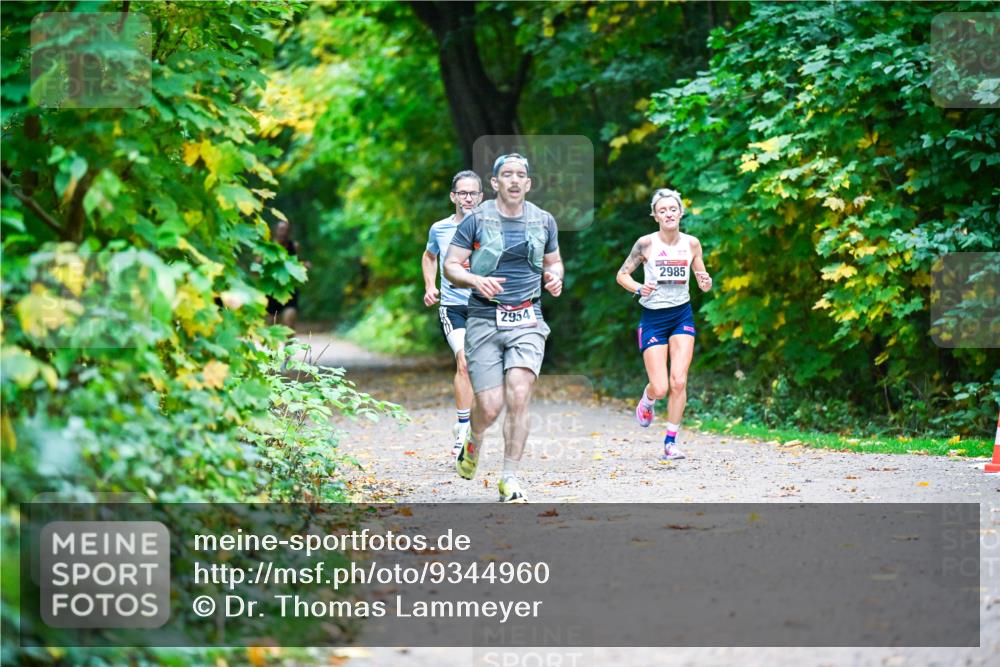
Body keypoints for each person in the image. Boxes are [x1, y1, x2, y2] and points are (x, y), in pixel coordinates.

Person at [443, 153, 564, 503]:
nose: (514, 180)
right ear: (495, 183)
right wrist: (475, 280)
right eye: (506, 174)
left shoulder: (543, 220)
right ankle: (474, 438)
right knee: (491, 406)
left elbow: (555, 261)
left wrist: (554, 277)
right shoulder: (476, 219)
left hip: (528, 318)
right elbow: (451, 265)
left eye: (520, 174)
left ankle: (509, 477)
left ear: (528, 183)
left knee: (520, 395)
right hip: (483, 319)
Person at [615, 188, 712, 460]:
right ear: (655, 216)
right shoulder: (645, 244)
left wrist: (706, 282)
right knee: (660, 387)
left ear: (680, 212)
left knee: (679, 381)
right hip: (653, 319)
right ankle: (647, 400)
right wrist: (638, 288)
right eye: (662, 210)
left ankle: (671, 441)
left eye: (672, 209)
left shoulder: (692, 244)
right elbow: (622, 275)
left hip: (681, 315)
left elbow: (702, 279)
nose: (668, 214)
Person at [422, 170, 483, 456]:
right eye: (463, 193)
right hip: (454, 307)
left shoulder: (492, 228)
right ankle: (463, 427)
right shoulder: (440, 229)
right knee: (464, 362)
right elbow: (429, 256)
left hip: (486, 307)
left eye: (473, 193)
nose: (468, 198)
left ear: (481, 197)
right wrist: (429, 286)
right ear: (453, 196)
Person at [266, 220, 309, 329]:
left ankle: (289, 340)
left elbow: (297, 264)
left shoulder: (294, 246)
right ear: (275, 231)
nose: (283, 232)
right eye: (281, 229)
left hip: (289, 289)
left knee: (289, 320)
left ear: (289, 232)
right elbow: (256, 267)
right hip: (272, 290)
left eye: (286, 230)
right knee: (271, 326)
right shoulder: (268, 247)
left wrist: (305, 265)